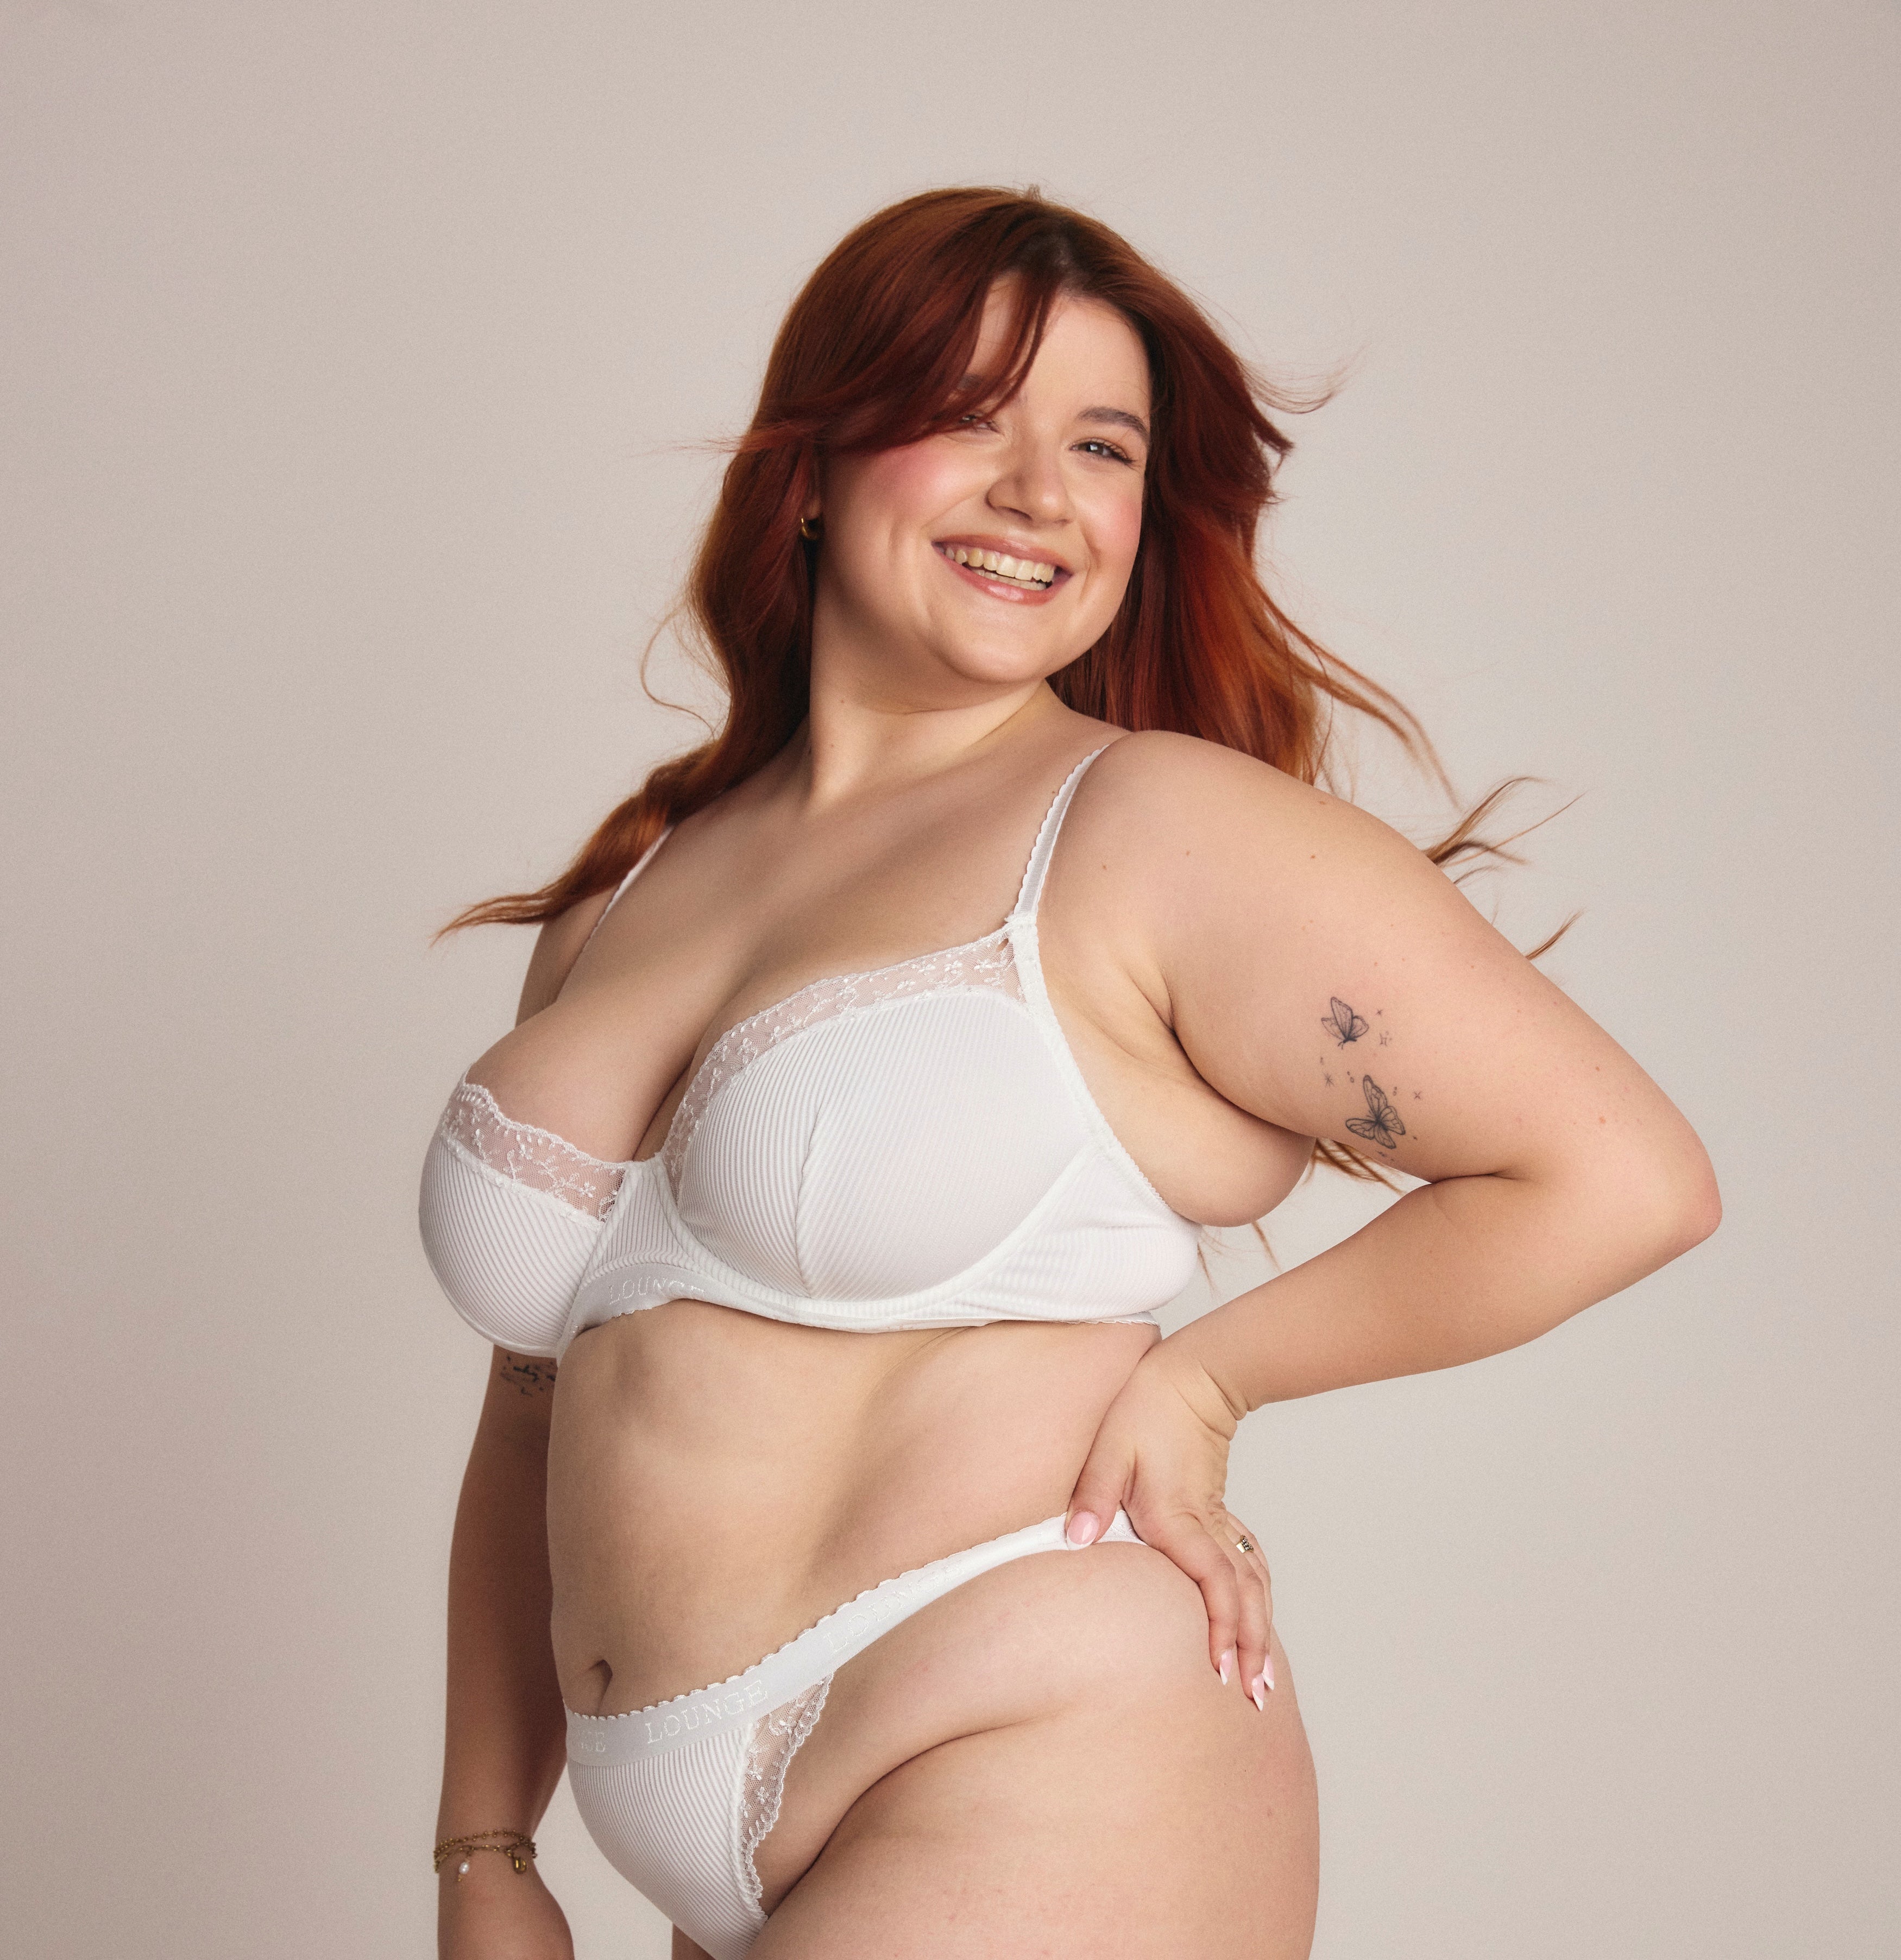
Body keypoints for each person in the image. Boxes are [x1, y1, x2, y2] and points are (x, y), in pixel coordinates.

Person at [419, 187, 1719, 1960]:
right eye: (970, 417)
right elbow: (531, 1404)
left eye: (1100, 446)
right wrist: (486, 1841)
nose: (1039, 491)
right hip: (679, 1827)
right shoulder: (629, 889)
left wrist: (1208, 1383)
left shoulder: (1149, 830)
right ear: (810, 468)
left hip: (1031, 1750)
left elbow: (1622, 1175)